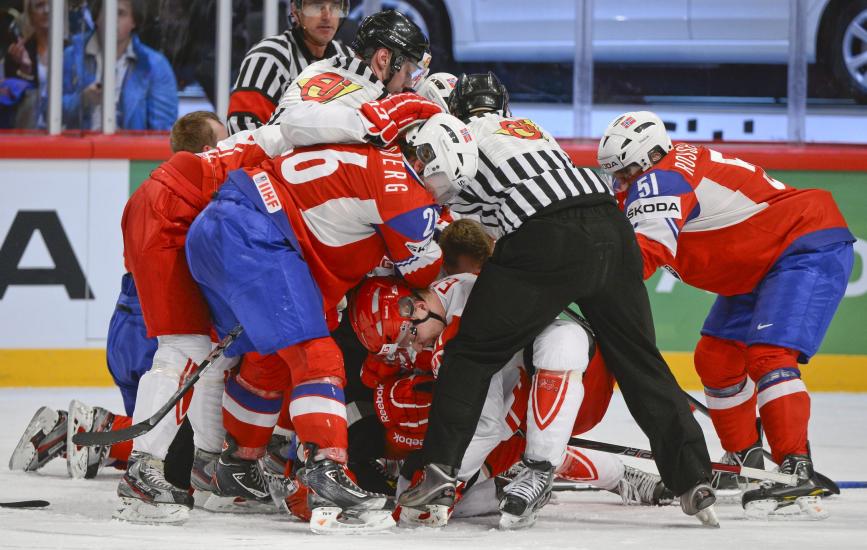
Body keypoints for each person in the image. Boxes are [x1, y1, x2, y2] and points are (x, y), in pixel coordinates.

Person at [396, 73, 719, 528]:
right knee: (640, 361)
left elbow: (442, 209)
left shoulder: (459, 137)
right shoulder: (530, 128)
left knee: (472, 353)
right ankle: (693, 479)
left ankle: (439, 471)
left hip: (546, 238)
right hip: (611, 228)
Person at [182, 112, 474, 532]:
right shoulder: (407, 194)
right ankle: (326, 472)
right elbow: (424, 273)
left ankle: (236, 466)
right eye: (444, 182)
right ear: (430, 158)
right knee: (319, 357)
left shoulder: (370, 150)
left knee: (272, 358)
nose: (440, 193)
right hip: (262, 239)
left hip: (220, 226)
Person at [596, 110, 855, 520]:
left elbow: (644, 255)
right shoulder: (659, 168)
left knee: (769, 355)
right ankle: (744, 461)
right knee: (715, 358)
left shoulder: (662, 179)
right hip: (762, 264)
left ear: (649, 157)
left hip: (801, 246)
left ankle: (795, 466)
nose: (622, 181)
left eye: (627, 171)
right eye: (615, 173)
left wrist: (582, 288)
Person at [7, 111, 231, 487]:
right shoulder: (200, 196)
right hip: (156, 331)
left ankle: (79, 432)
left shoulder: (151, 192)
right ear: (208, 149)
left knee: (175, 439)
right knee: (191, 448)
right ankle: (99, 429)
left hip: (128, 325)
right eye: (225, 139)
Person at [349, 274, 674, 529]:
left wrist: (443, 477)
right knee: (435, 486)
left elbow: (488, 423)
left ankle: (555, 470)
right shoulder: (444, 309)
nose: (415, 348)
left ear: (416, 308)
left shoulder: (462, 320)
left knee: (559, 347)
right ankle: (535, 475)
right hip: (519, 413)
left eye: (411, 338)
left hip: (562, 383)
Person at [267, 9, 431, 130]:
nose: (409, 84)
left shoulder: (319, 67)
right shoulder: (375, 101)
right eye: (409, 72)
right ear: (384, 58)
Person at [227, 0, 352, 134]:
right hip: (281, 154)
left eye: (335, 6)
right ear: (295, 10)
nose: (327, 16)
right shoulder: (267, 56)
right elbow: (241, 127)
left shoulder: (350, 59)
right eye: (316, 6)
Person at [62, 0, 177, 130]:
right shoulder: (71, 56)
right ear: (96, 17)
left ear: (134, 21)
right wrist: (82, 100)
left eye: (120, 13)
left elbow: (163, 132)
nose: (111, 19)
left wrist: (124, 141)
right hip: (79, 148)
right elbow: (47, 113)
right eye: (106, 12)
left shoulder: (155, 65)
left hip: (131, 149)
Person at [3, 0, 49, 128]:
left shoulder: (70, 49)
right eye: (40, 5)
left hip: (64, 130)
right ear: (31, 16)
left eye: (51, 4)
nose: (47, 10)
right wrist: (25, 70)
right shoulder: (18, 54)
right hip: (29, 132)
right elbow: (12, 103)